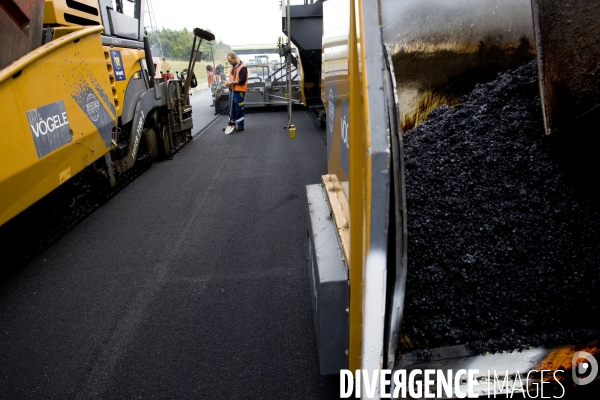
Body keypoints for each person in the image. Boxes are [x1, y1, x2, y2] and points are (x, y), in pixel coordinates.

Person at [224, 52, 247, 133]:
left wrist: (232, 83)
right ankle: (231, 124)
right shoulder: (232, 69)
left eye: (230, 61)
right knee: (231, 108)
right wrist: (227, 83)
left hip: (239, 91)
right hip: (232, 91)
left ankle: (240, 125)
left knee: (239, 108)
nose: (230, 63)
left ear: (234, 58)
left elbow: (242, 81)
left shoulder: (242, 68)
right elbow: (231, 79)